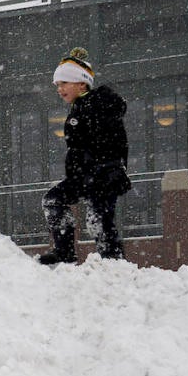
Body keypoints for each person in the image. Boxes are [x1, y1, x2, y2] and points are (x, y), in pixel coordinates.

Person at [37, 48, 131, 265]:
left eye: (63, 83)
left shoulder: (98, 103)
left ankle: (114, 264)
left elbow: (113, 137)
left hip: (104, 174)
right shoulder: (78, 108)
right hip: (83, 176)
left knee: (99, 219)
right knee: (53, 200)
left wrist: (111, 167)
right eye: (57, 85)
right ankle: (64, 253)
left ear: (81, 84)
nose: (59, 89)